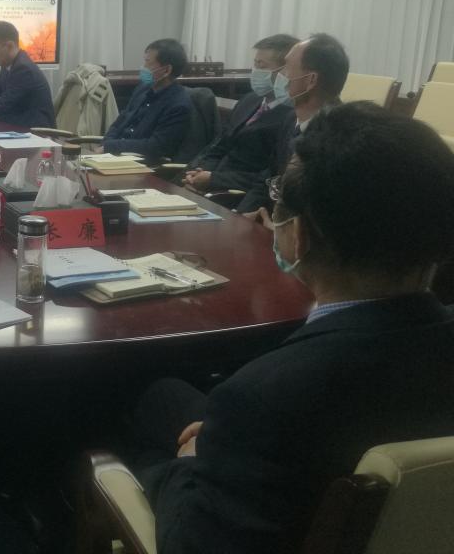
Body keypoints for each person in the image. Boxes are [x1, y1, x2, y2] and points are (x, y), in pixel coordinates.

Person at [119, 102, 454, 554]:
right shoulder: (264, 397)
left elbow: (191, 543)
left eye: (277, 195)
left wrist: (193, 460)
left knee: (125, 412)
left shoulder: (262, 397)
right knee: (163, 395)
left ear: (299, 235)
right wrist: (228, 438)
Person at [237, 33, 348, 217]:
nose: (279, 76)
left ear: (311, 80)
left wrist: (276, 227)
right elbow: (268, 177)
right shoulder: (290, 119)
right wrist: (241, 216)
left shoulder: (339, 137)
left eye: (286, 68)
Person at [181, 34, 298, 194]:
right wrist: (195, 173)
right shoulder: (249, 100)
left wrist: (213, 180)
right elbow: (219, 145)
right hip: (207, 180)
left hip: (235, 193)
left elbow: (270, 175)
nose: (255, 71)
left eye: (262, 66)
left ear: (285, 71)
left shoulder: (291, 115)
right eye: (255, 64)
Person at [102, 38, 192, 161]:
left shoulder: (179, 104)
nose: (143, 67)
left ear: (167, 70)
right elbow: (120, 122)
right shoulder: (142, 89)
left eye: (148, 63)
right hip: (113, 157)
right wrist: (106, 143)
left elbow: (155, 146)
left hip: (142, 164)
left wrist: (111, 146)